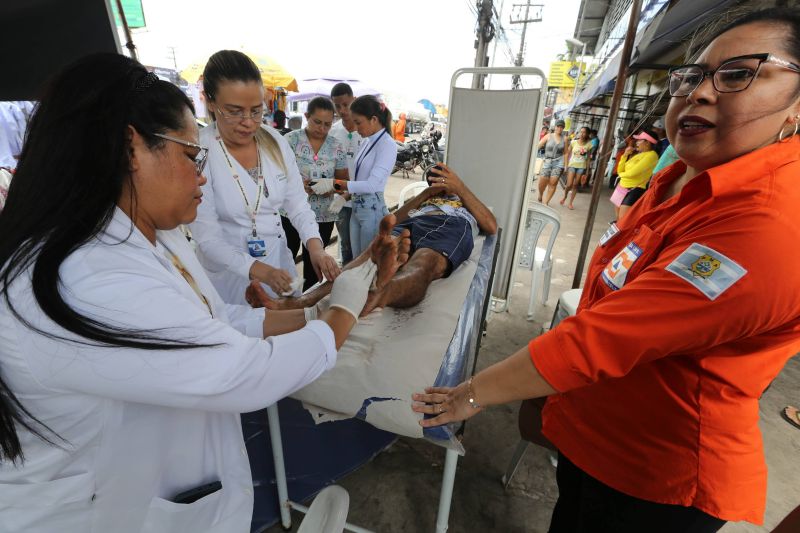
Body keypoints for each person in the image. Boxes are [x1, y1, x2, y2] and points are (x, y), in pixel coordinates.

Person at [411, 7, 800, 532]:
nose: (699, 93)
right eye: (690, 77)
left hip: (655, 478)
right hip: (595, 438)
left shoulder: (769, 224)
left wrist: (470, 393)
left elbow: (605, 337)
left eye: (738, 74)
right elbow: (612, 286)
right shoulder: (679, 181)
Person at [0, 53, 411, 533]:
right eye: (190, 155)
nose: (200, 173)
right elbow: (240, 371)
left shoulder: (155, 235)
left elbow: (219, 319)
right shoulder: (84, 275)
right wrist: (342, 311)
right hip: (85, 512)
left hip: (132, 476)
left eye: (257, 110)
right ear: (131, 148)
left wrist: (316, 308)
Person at [188, 50, 340, 304]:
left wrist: (316, 248)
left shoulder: (275, 143)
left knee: (284, 326)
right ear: (211, 102)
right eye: (234, 111)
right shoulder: (200, 152)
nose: (248, 122)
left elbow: (298, 205)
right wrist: (262, 272)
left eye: (256, 111)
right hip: (228, 274)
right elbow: (207, 237)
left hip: (277, 262)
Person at [248, 163, 497, 317]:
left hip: (448, 224)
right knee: (362, 261)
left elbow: (491, 225)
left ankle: (381, 294)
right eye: (435, 181)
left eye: (444, 181)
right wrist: (427, 194)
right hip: (414, 221)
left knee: (424, 263)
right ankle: (295, 303)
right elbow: (393, 220)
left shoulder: (464, 202)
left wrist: (459, 189)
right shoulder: (426, 198)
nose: (439, 186)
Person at [317, 95, 396, 258]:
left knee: (366, 264)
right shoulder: (367, 140)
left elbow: (372, 185)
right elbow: (357, 180)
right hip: (357, 208)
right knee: (355, 259)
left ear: (373, 119)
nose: (356, 127)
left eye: (358, 122)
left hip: (372, 211)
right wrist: (344, 197)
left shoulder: (387, 145)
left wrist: (334, 184)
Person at [283, 96, 349, 290]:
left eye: (327, 124)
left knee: (315, 267)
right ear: (306, 116)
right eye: (317, 122)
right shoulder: (290, 140)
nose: (322, 128)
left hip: (323, 215)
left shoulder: (336, 146)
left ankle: (308, 310)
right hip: (290, 213)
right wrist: (295, 185)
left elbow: (345, 184)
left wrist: (330, 186)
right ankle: (284, 304)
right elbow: (276, 176)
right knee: (285, 261)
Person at [329, 82, 361, 265]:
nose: (342, 110)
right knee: (346, 246)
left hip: (365, 198)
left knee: (365, 247)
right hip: (341, 200)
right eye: (337, 106)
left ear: (354, 100)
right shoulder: (333, 132)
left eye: (346, 104)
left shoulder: (366, 129)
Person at [612, 129, 659, 220]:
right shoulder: (638, 154)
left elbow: (632, 173)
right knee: (618, 218)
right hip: (622, 186)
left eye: (639, 140)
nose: (636, 143)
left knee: (623, 220)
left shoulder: (651, 156)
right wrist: (625, 155)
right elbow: (620, 170)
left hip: (634, 189)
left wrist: (620, 175)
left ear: (647, 143)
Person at [536, 120, 567, 206]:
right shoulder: (548, 136)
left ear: (563, 128)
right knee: (542, 181)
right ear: (555, 127)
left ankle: (546, 202)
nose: (559, 128)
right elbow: (538, 146)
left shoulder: (565, 138)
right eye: (558, 126)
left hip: (559, 162)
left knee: (553, 182)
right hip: (547, 161)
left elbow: (566, 152)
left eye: (561, 127)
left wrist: (566, 165)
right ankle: (541, 194)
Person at [560, 126, 592, 209]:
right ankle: (565, 196)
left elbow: (588, 158)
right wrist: (565, 165)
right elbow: (567, 153)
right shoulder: (573, 142)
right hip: (572, 166)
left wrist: (587, 171)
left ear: (587, 134)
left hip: (581, 167)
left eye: (584, 132)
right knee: (569, 184)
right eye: (581, 132)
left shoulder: (589, 144)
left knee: (575, 185)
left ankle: (570, 203)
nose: (582, 134)